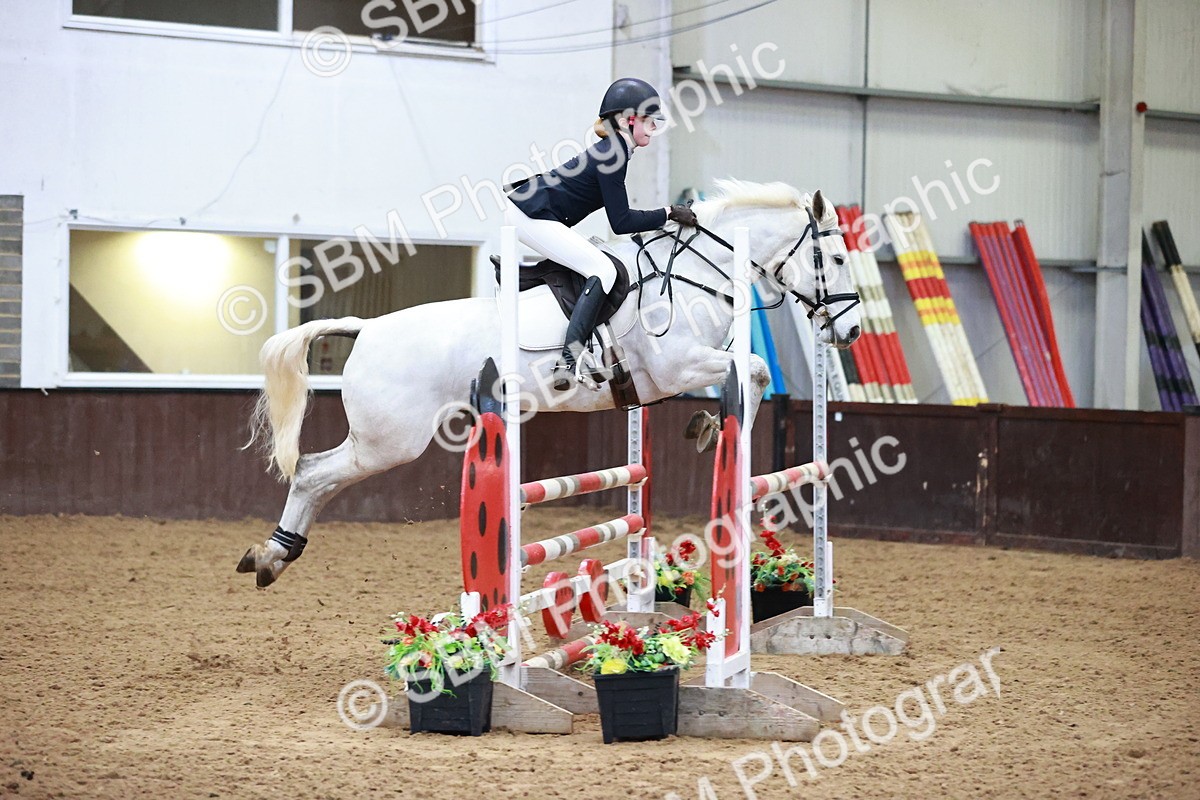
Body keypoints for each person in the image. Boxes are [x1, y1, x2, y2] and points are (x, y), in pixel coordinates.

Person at [504, 77, 698, 390]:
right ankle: (569, 361)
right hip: (530, 216)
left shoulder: (616, 150)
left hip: (535, 214)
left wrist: (666, 214)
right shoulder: (614, 154)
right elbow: (620, 221)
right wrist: (668, 213)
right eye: (649, 122)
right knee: (602, 268)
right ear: (627, 121)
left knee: (597, 261)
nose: (653, 129)